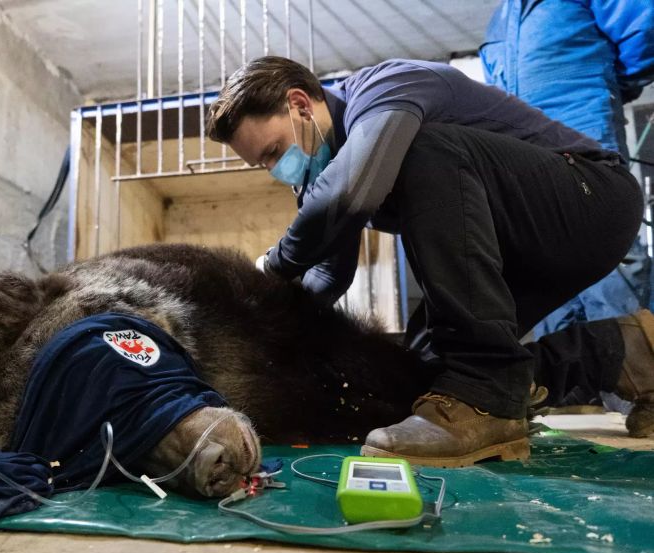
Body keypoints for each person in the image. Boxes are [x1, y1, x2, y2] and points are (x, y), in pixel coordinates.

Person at [206, 56, 645, 466]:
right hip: (514, 249)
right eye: (263, 164)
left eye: (274, 151)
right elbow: (326, 274)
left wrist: (271, 267)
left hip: (592, 202)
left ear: (300, 103)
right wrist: (269, 340)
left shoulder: (387, 89)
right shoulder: (326, 172)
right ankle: (626, 354)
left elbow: (349, 194)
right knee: (422, 374)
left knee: (425, 145)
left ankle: (488, 394)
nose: (275, 170)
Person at [481, 0, 654, 348]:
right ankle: (576, 390)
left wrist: (614, 82)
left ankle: (635, 380)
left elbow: (644, 28)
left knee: (608, 253)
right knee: (549, 262)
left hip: (584, 131)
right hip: (526, 153)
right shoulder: (499, 22)